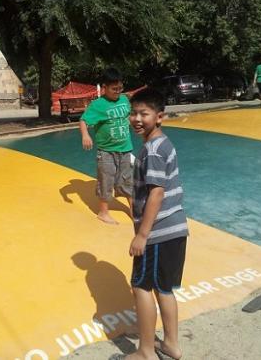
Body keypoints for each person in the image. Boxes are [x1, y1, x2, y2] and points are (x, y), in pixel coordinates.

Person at [126, 88, 189, 360]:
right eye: (133, 113)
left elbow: (156, 193)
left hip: (157, 233)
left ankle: (146, 351)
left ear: (159, 116)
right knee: (164, 289)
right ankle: (171, 344)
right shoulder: (164, 143)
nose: (137, 119)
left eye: (144, 113)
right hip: (175, 229)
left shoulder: (152, 150)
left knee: (141, 286)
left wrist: (142, 235)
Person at [79, 68, 133, 225]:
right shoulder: (98, 105)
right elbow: (83, 120)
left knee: (128, 180)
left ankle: (134, 210)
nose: (118, 92)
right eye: (114, 89)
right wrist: (85, 135)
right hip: (106, 152)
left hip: (125, 148)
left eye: (120, 88)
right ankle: (103, 213)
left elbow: (129, 116)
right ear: (105, 87)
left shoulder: (124, 100)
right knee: (106, 180)